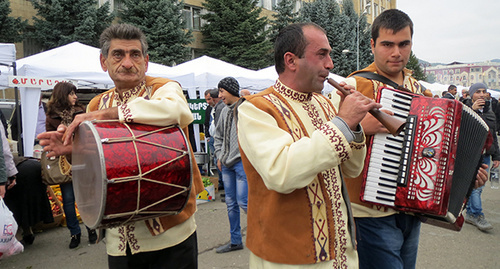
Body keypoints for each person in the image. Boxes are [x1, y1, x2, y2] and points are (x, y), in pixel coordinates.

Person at [38, 23, 203, 269]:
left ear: (146, 62)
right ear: (104, 62)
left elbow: (176, 110)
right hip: (118, 239)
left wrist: (102, 116)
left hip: (170, 234)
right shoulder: (97, 102)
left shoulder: (163, 89)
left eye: (135, 54)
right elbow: (94, 168)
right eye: (118, 54)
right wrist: (74, 151)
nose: (127, 63)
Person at [339, 9, 488, 269]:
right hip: (368, 213)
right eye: (387, 44)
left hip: (412, 209)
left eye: (403, 44)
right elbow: (329, 141)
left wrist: (467, 176)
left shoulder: (421, 90)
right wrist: (360, 127)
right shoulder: (355, 86)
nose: (396, 52)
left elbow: (439, 155)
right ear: (372, 45)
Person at [237, 22, 380, 267]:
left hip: (340, 252)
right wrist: (343, 122)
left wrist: (354, 126)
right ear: (291, 61)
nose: (330, 65)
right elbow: (281, 173)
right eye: (322, 55)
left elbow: (352, 170)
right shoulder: (256, 109)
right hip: (288, 258)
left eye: (330, 55)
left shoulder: (325, 104)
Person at [45, 81, 96, 249]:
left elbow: (90, 135)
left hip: (83, 160)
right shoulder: (51, 116)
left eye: (75, 93)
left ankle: (91, 228)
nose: (75, 97)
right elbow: (50, 140)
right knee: (68, 199)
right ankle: (75, 233)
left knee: (87, 197)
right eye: (71, 93)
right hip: (65, 163)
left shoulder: (81, 112)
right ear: (62, 95)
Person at [2, 120, 54, 246]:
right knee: (24, 203)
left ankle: (18, 236)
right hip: (30, 168)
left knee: (13, 205)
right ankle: (27, 232)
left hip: (21, 171)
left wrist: (11, 175)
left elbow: (4, 152)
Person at [213, 77, 248, 253]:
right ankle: (235, 241)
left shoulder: (246, 109)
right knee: (230, 203)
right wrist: (219, 155)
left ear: (231, 90)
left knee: (244, 201)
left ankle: (268, 235)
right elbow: (217, 136)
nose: (219, 95)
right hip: (226, 164)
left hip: (241, 163)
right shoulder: (225, 111)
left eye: (222, 91)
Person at [463, 83, 499, 232]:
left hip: (485, 155)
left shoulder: (490, 112)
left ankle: (470, 213)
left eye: (484, 91)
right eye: (478, 92)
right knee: (476, 187)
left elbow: (494, 137)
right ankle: (478, 215)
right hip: (471, 154)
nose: (482, 94)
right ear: (471, 95)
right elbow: (461, 128)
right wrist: (473, 111)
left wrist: (497, 156)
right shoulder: (465, 109)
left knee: (478, 186)